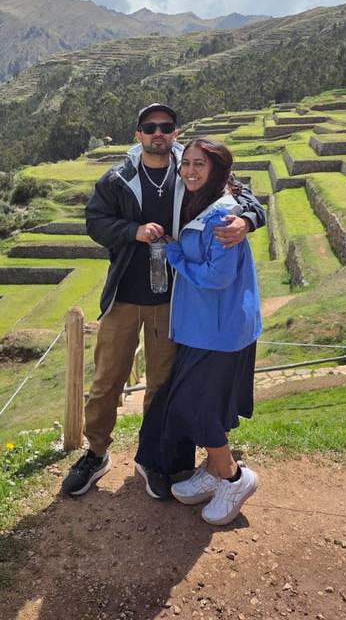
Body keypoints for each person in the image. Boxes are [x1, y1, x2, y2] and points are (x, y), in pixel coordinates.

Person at [61, 104, 265, 500]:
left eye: (166, 127)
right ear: (138, 133)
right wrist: (132, 231)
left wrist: (248, 220)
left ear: (175, 132)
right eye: (150, 127)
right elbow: (95, 222)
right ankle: (96, 453)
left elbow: (243, 195)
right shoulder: (119, 178)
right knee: (106, 381)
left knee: (161, 383)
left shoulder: (190, 168)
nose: (158, 133)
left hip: (174, 298)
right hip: (125, 296)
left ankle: (151, 458)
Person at [134, 138, 262, 526]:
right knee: (203, 403)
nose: (189, 171)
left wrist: (174, 256)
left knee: (197, 405)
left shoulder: (224, 217)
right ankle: (212, 468)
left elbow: (216, 276)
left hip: (219, 329)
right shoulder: (201, 202)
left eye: (199, 165)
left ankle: (233, 478)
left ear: (218, 171)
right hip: (202, 327)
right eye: (185, 163)